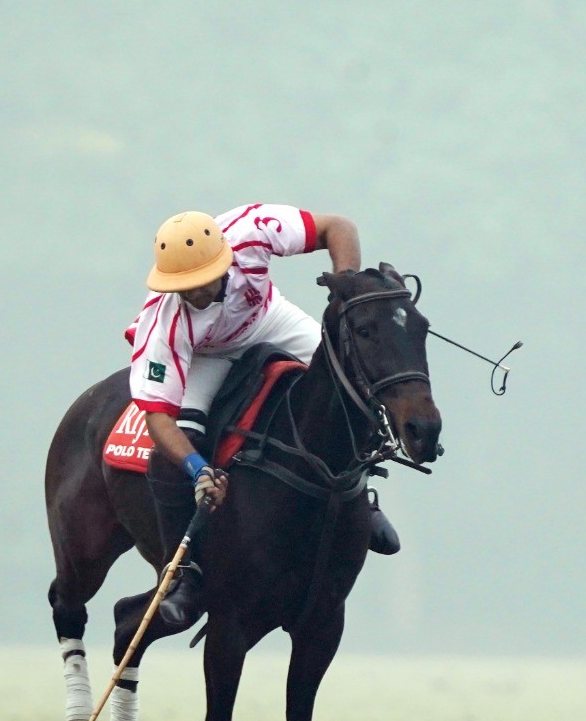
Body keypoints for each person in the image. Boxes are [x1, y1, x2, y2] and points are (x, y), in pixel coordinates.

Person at [126, 204, 398, 630]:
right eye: (181, 286)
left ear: (224, 260)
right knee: (180, 443)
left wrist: (344, 283)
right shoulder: (166, 322)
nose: (191, 293)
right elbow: (157, 418)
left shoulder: (250, 231)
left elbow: (338, 227)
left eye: (198, 283)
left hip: (269, 320)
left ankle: (362, 497)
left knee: (351, 381)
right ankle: (183, 572)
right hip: (206, 356)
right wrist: (198, 469)